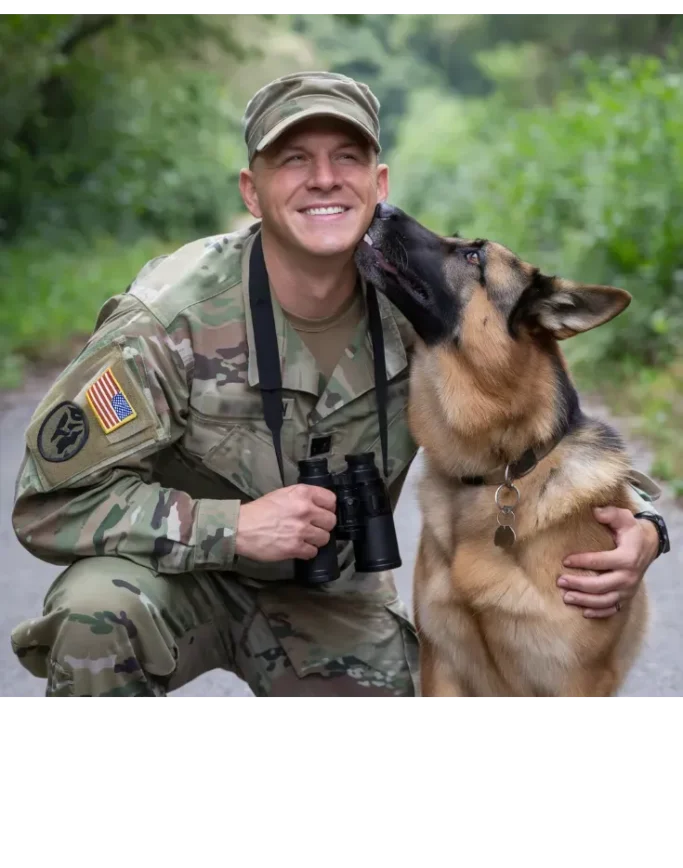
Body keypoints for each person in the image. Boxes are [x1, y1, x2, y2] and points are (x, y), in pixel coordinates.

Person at [9, 70, 669, 700]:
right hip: (176, 581)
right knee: (95, 615)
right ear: (250, 189)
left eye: (346, 157)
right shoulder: (166, 319)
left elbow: (537, 423)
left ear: (377, 182)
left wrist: (641, 526)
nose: (323, 179)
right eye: (293, 159)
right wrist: (228, 525)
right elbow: (48, 505)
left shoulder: (416, 306)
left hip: (329, 599)